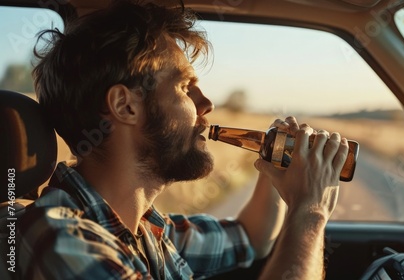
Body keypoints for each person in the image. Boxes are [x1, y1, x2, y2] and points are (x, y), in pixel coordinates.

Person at [18, 0, 349, 279]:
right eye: (184, 86)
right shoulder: (61, 239)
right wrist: (311, 212)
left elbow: (251, 237)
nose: (206, 104)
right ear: (125, 106)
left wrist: (278, 160)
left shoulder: (145, 229)